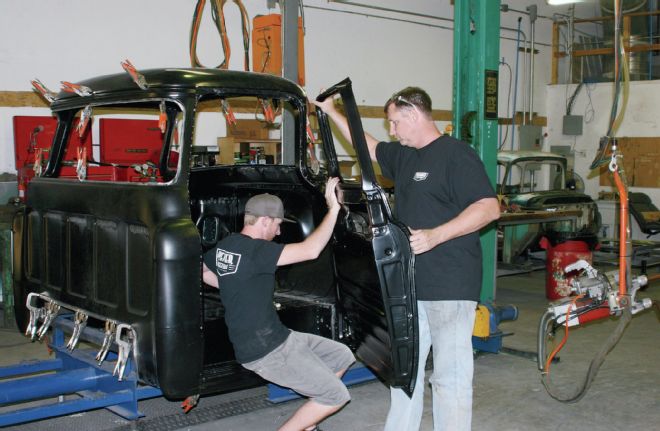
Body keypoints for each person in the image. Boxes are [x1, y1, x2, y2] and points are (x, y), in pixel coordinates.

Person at [314, 87, 500, 431]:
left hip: (449, 284)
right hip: (410, 284)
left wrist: (436, 235)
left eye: (395, 122)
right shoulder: (405, 156)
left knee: (450, 377)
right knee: (404, 372)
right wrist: (332, 111)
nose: (392, 131)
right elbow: (366, 146)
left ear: (414, 114)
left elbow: (489, 208)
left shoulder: (456, 155)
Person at [202, 177, 354, 431]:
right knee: (337, 396)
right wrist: (333, 210)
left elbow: (203, 270)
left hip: (278, 337)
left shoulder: (227, 245)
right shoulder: (258, 251)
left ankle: (309, 419)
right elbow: (311, 250)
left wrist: (233, 286)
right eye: (278, 224)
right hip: (268, 350)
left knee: (341, 356)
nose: (280, 231)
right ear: (264, 221)